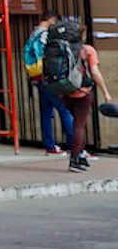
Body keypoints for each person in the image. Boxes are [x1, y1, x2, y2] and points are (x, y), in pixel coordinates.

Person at [51, 16, 111, 173]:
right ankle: (75, 159)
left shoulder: (62, 49)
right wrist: (105, 91)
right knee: (79, 125)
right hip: (82, 93)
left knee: (78, 123)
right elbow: (95, 72)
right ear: (82, 35)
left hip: (65, 92)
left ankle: (81, 155)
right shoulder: (87, 50)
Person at [24, 11, 74, 156]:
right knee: (64, 109)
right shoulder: (44, 35)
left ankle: (50, 145)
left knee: (46, 112)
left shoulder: (33, 34)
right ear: (51, 20)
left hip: (38, 77)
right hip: (48, 77)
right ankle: (75, 145)